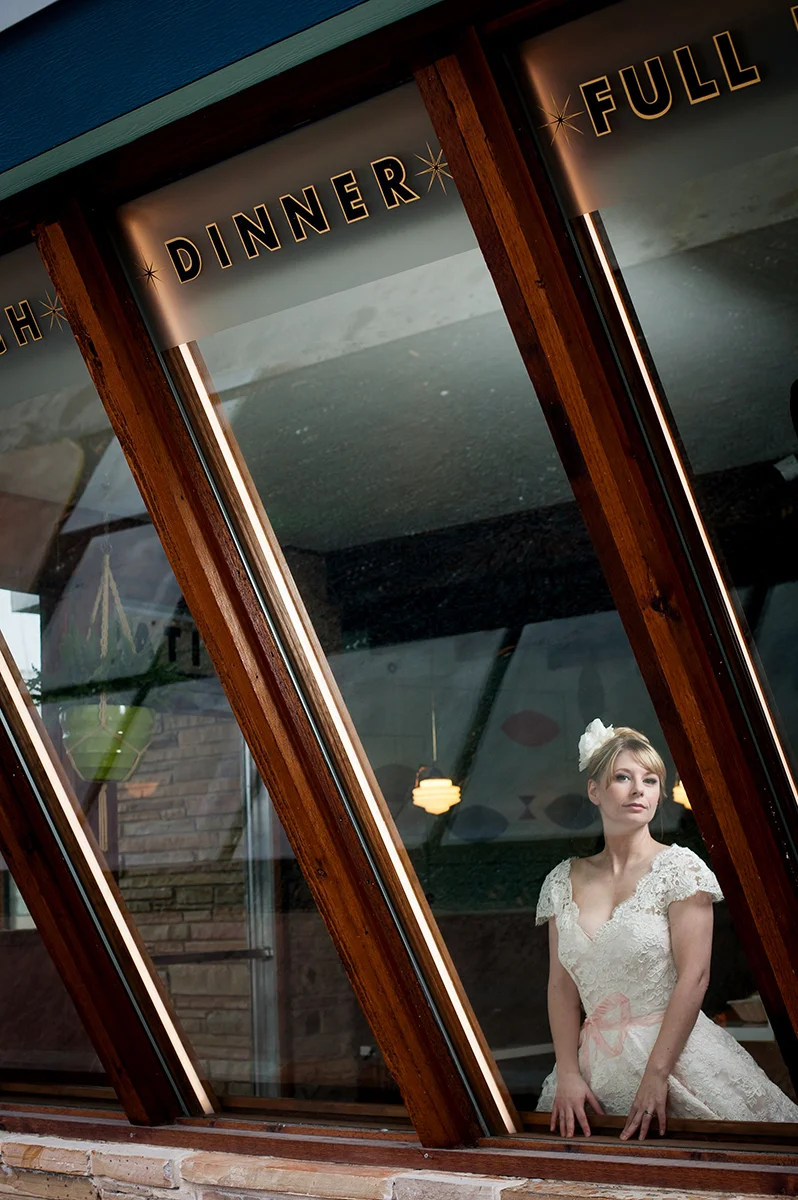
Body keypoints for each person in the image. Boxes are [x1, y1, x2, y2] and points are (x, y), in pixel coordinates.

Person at [536, 719, 798, 1139]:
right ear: (595, 791)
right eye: (623, 777)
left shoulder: (681, 869)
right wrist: (567, 1071)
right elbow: (560, 988)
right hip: (590, 1070)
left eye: (651, 779)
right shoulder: (560, 881)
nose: (639, 789)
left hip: (676, 1063)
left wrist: (658, 1075)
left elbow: (695, 976)